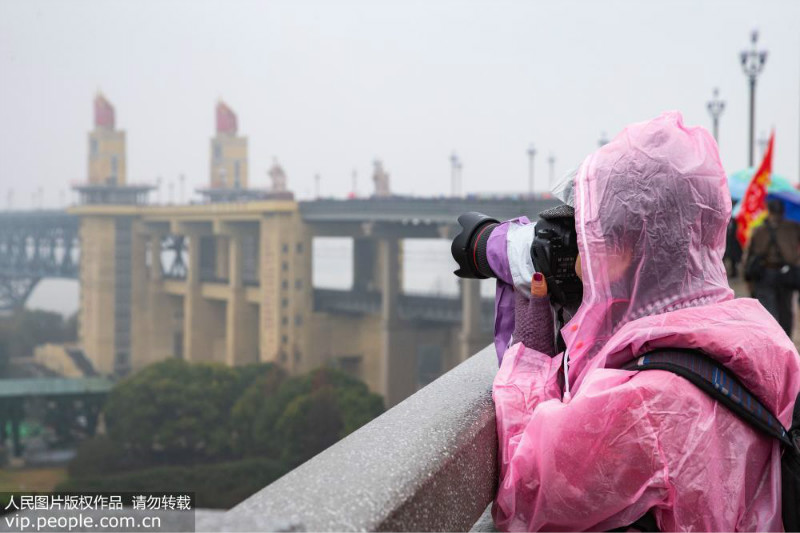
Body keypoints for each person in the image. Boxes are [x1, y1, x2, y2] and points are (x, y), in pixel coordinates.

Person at [487, 112, 800, 531]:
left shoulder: (643, 404)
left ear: (620, 249)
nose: (581, 258)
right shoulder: (762, 341)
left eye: (588, 236)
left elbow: (528, 495)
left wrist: (531, 343)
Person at [745, 198, 800, 336]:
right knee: (785, 311)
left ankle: (771, 340)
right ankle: (786, 341)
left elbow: (749, 256)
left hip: (764, 273)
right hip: (786, 274)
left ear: (768, 210)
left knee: (767, 312)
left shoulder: (759, 230)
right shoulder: (793, 227)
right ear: (783, 211)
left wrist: (748, 279)